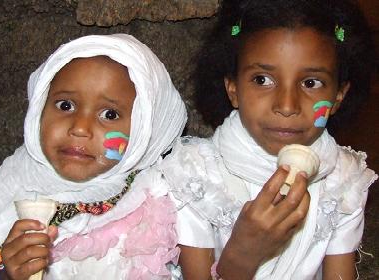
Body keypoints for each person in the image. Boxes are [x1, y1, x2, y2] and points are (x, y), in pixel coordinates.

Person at [156, 0, 378, 279]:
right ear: (233, 89)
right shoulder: (196, 175)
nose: (287, 105)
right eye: (262, 80)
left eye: (311, 83)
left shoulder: (344, 179)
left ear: (338, 97)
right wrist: (243, 253)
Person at [0, 34, 187, 279]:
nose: (80, 127)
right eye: (65, 105)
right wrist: (4, 271)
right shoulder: (11, 182)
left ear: (145, 129)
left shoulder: (154, 214)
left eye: (109, 114)